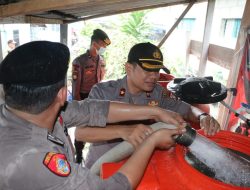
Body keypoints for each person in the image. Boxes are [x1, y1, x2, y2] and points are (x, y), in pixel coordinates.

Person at [0, 41, 186, 190]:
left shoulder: (30, 111)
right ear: (62, 94)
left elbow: (92, 110)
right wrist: (151, 141)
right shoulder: (37, 161)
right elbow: (115, 186)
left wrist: (156, 111)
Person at [75, 42, 221, 169]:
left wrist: (202, 116)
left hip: (137, 168)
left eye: (156, 70)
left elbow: (186, 109)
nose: (154, 76)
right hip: (101, 167)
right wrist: (123, 131)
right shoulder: (103, 92)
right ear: (129, 68)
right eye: (147, 69)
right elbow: (82, 133)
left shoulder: (157, 93)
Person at [72, 28, 111, 163]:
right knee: (82, 125)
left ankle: (95, 152)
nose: (104, 48)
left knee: (98, 124)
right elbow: (76, 84)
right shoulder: (80, 61)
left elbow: (101, 77)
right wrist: (77, 104)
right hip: (84, 96)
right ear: (95, 44)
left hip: (97, 97)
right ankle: (79, 153)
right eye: (103, 46)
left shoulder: (101, 60)